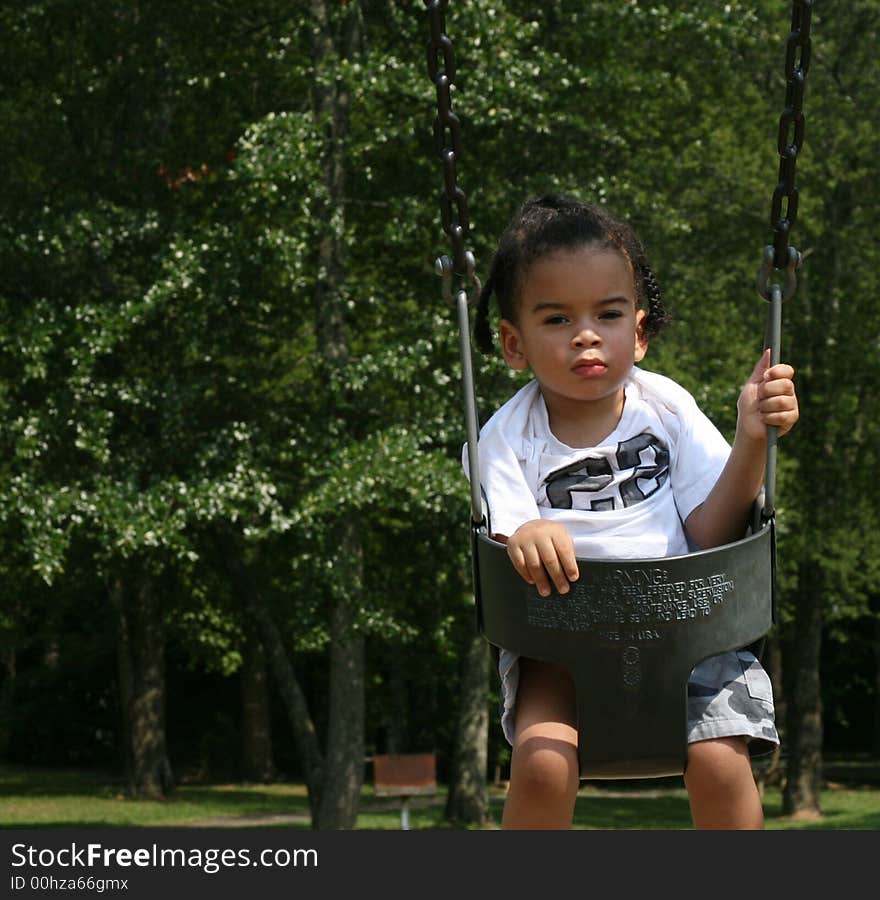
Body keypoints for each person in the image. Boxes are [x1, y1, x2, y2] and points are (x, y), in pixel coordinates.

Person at [466, 193, 799, 829]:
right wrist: (527, 532)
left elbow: (711, 529)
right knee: (541, 763)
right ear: (514, 343)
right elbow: (505, 529)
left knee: (722, 762)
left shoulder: (666, 408)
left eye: (608, 313)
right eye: (557, 318)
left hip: (691, 631)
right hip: (561, 641)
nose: (586, 333)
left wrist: (752, 437)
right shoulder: (503, 440)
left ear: (639, 333)